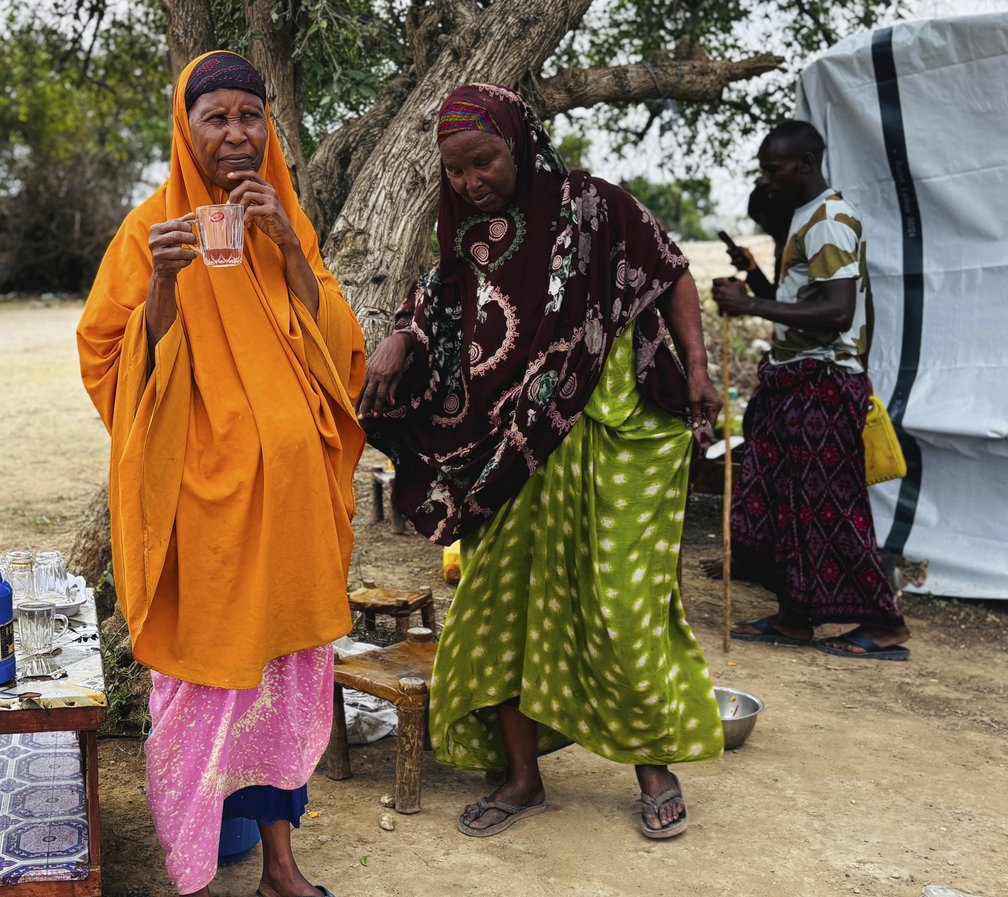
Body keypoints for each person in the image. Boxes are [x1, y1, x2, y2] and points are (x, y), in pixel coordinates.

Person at [360, 84, 724, 840]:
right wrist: (401, 336)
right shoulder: (465, 237)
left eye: (483, 162)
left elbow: (670, 270)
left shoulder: (596, 206)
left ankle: (653, 765)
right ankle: (522, 779)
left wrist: (695, 362)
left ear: (517, 142)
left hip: (607, 431)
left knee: (622, 605)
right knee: (502, 608)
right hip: (507, 455)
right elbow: (436, 305)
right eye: (455, 170)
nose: (470, 182)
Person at [77, 52, 367, 897]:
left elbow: (338, 352)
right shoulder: (144, 233)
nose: (237, 134)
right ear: (186, 127)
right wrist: (164, 281)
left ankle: (281, 868)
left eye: (252, 116)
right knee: (196, 705)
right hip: (202, 516)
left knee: (284, 687)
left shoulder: (290, 222)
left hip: (291, 515)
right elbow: (114, 371)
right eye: (218, 118)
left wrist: (286, 248)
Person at [712, 120, 911, 660]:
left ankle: (885, 624)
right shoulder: (805, 219)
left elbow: (835, 312)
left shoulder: (828, 220)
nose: (766, 179)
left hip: (823, 384)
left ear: (804, 163)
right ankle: (795, 616)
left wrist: (749, 305)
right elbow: (801, 305)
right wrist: (755, 283)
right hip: (795, 381)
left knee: (831, 506)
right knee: (786, 504)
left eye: (772, 169)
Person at [725, 186, 793, 299]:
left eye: (761, 220)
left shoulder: (798, 244)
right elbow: (776, 299)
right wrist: (752, 268)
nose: (763, 227)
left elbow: (781, 305)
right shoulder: (783, 244)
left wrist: (744, 303)